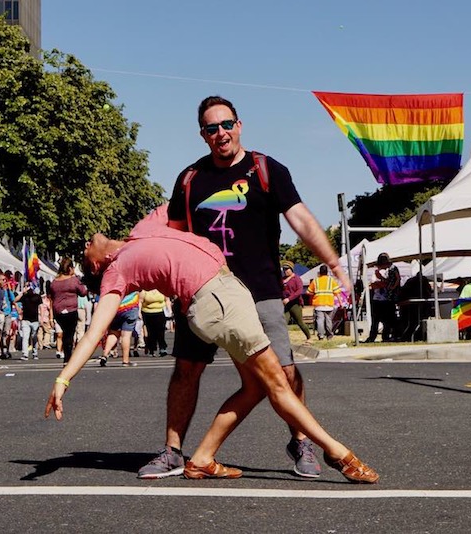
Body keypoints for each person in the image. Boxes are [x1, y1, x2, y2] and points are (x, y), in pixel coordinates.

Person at [45, 207, 378, 484]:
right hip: (214, 301)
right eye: (83, 253)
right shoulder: (114, 273)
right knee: (276, 382)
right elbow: (93, 333)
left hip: (227, 291)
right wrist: (63, 379)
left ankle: (203, 457)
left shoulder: (143, 228)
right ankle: (338, 452)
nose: (85, 243)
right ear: (95, 265)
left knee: (255, 387)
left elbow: (186, 201)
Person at [140, 95, 350, 480]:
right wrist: (173, 288)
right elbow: (174, 238)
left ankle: (300, 441)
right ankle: (172, 451)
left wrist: (334, 263)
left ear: (239, 125)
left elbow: (300, 219)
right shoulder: (190, 179)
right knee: (186, 369)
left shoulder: (266, 169)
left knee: (283, 374)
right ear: (202, 135)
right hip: (202, 292)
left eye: (226, 125)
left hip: (260, 291)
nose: (220, 133)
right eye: (211, 128)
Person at [49, 257, 87, 364]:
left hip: (58, 311)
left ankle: (66, 355)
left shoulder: (54, 282)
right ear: (70, 268)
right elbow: (83, 292)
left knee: (65, 333)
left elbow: (51, 298)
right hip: (71, 310)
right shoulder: (73, 280)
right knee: (69, 334)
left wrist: (51, 316)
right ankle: (68, 357)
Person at [365, 253, 400, 343]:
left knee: (387, 320)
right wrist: (382, 284)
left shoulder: (391, 270)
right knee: (376, 320)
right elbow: (373, 284)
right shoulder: (377, 272)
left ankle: (385, 336)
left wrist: (386, 285)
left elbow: (395, 280)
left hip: (387, 299)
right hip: (378, 299)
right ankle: (374, 336)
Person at [98, 291, 139, 368]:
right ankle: (125, 360)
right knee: (126, 335)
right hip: (131, 306)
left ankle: (105, 355)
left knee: (113, 333)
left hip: (116, 307)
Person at [307, 265, 341, 340]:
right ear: (327, 272)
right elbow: (337, 292)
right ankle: (329, 335)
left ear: (320, 272)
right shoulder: (331, 280)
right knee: (328, 320)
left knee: (320, 320)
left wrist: (315, 293)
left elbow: (308, 292)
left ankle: (321, 335)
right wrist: (340, 303)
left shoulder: (315, 280)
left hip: (318, 303)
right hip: (329, 304)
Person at [281, 261, 310, 341]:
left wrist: (289, 298)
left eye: (287, 269)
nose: (285, 271)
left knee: (300, 322)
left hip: (295, 304)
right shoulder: (283, 280)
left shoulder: (296, 279)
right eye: (284, 269)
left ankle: (309, 337)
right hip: (286, 305)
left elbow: (299, 291)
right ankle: (284, 339)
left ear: (291, 269)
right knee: (283, 322)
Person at [16, 283, 42, 360]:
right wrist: (22, 293)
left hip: (35, 320)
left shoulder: (37, 296)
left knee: (34, 337)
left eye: (29, 286)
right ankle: (25, 354)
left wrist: (41, 317)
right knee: (25, 337)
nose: (28, 288)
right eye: (26, 286)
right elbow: (15, 300)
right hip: (25, 319)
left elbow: (41, 307)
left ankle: (35, 352)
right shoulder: (24, 296)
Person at [140, 289, 169, 357]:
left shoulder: (161, 288)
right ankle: (151, 349)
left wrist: (169, 310)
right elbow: (140, 302)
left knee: (161, 332)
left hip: (160, 312)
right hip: (147, 313)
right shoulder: (144, 291)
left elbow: (167, 300)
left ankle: (162, 348)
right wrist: (139, 313)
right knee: (151, 332)